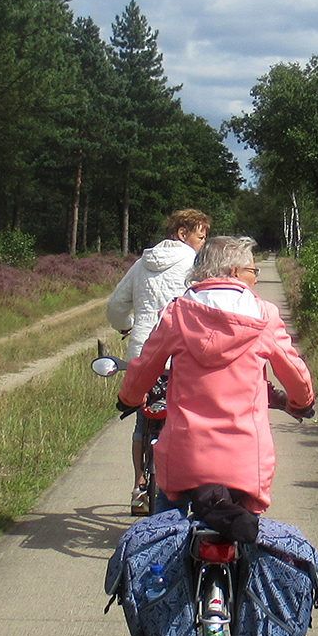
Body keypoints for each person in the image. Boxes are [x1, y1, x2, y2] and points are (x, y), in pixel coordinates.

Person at [117, 235, 315, 636]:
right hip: (246, 463)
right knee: (250, 541)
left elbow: (145, 367)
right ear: (231, 271)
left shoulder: (180, 313)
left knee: (166, 533)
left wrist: (128, 397)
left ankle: (173, 621)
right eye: (251, 268)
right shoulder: (263, 316)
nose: (255, 275)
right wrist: (302, 401)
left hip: (183, 461)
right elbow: (295, 375)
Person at [105, 208, 210, 513]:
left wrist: (126, 326)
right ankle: (178, 487)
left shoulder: (141, 264)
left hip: (143, 352)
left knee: (142, 421)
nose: (203, 243)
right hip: (180, 355)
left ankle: (139, 488)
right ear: (182, 234)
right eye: (200, 236)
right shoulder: (195, 265)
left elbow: (115, 306)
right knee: (182, 423)